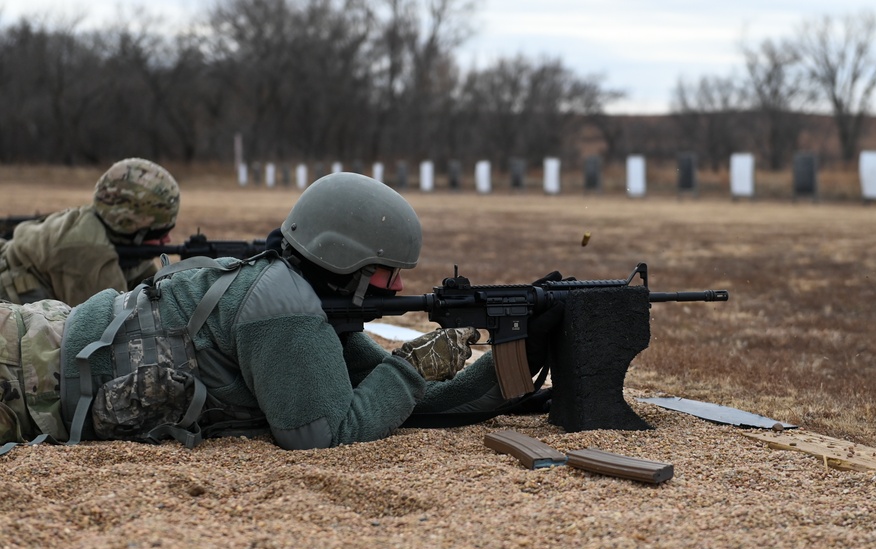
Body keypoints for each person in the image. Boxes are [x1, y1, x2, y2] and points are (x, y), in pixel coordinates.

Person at [0, 172, 560, 453]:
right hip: (26, 375)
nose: (401, 284)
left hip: (41, 355)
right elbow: (328, 434)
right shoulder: (284, 310)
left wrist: (522, 350)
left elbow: (404, 408)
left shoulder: (299, 295)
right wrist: (412, 367)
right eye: (390, 271)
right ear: (349, 262)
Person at [0, 157, 180, 306]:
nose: (168, 239)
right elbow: (111, 326)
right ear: (130, 228)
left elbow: (152, 288)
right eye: (158, 234)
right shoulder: (89, 251)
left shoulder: (112, 232)